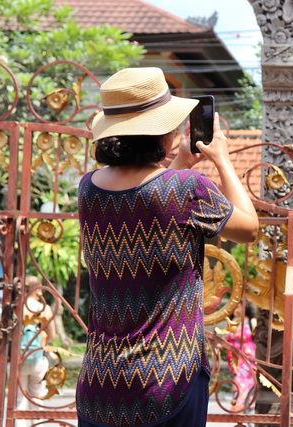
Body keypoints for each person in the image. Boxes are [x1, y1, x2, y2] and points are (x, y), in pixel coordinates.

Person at [76, 67, 259, 427]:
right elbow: (248, 229)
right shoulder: (187, 188)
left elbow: (144, 202)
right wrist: (221, 158)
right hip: (166, 382)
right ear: (160, 133)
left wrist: (177, 166)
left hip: (100, 386)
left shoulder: (89, 189)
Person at [16, 275, 56, 427]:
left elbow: (11, 337)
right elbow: (51, 335)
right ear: (38, 289)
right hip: (38, 358)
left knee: (19, 398)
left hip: (18, 358)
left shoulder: (17, 306)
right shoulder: (44, 308)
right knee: (37, 396)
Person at [225, 303, 257, 412]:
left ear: (245, 307)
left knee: (242, 380)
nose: (235, 309)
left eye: (238, 306)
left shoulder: (251, 322)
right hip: (233, 360)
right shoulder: (232, 322)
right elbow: (224, 338)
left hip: (247, 358)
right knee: (238, 380)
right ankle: (245, 405)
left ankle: (240, 406)